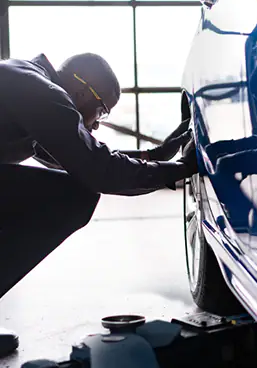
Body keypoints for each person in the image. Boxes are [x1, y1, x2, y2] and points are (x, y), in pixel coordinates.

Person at [0, 53, 198, 357]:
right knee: (76, 196)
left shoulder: (27, 79)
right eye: (102, 111)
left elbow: (74, 153)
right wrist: (183, 168)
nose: (96, 124)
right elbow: (99, 172)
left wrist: (154, 155)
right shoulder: (44, 93)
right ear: (83, 92)